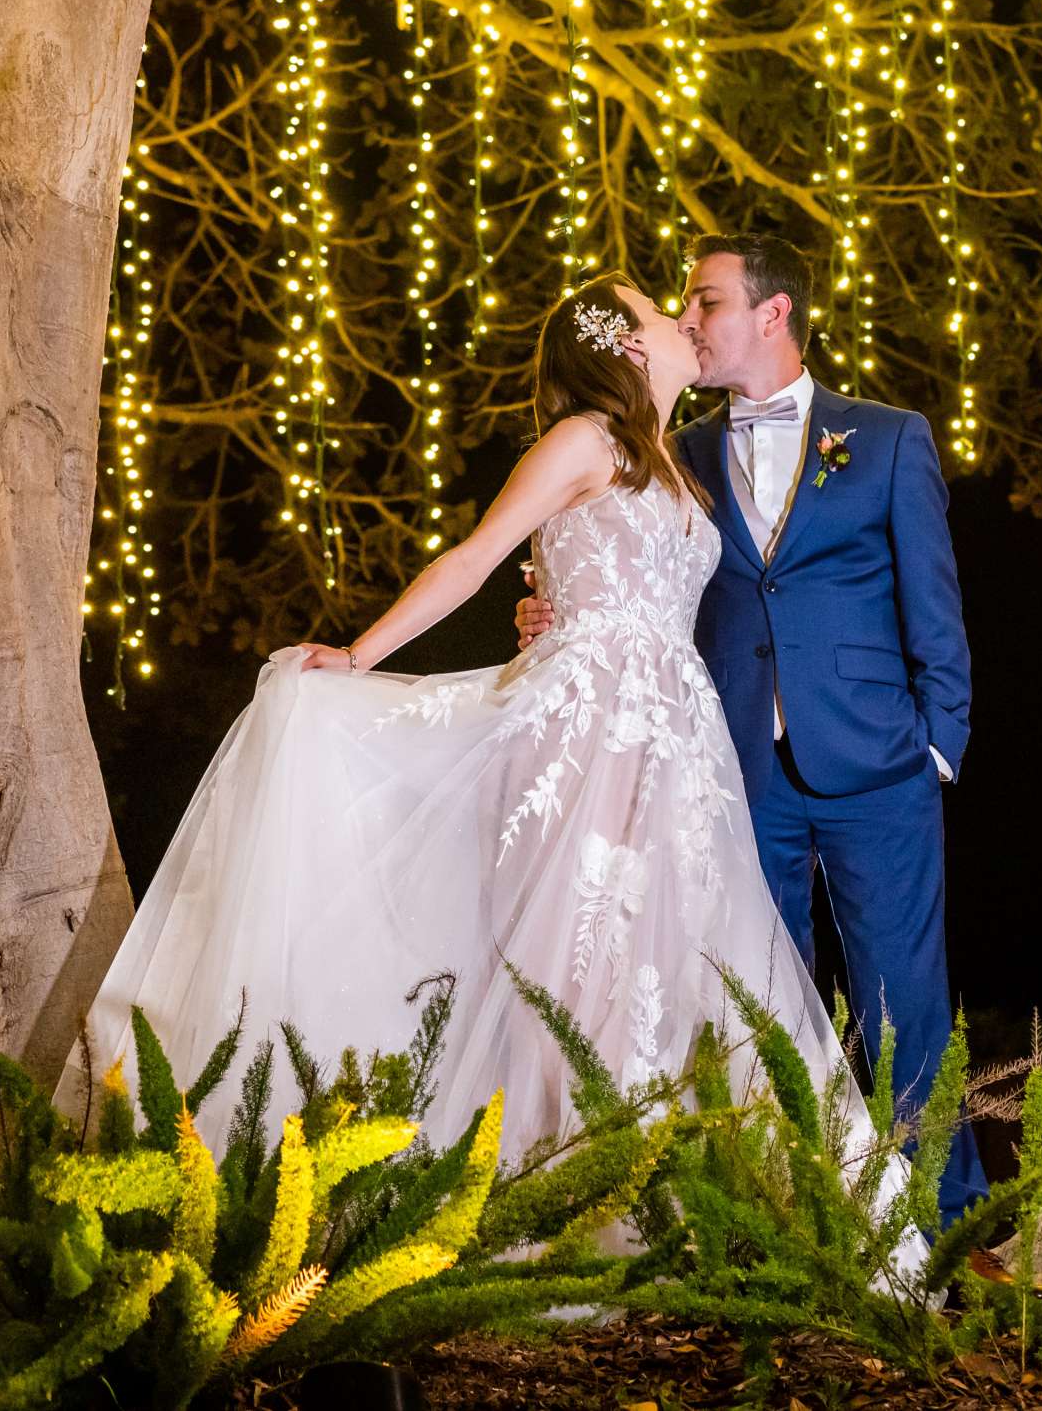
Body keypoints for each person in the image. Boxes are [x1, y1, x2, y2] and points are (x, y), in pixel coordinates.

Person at [67, 273, 918, 1240]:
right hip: (586, 729)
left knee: (673, 962)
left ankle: (670, 1199)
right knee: (573, 963)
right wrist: (357, 655)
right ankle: (556, 1202)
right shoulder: (584, 441)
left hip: (675, 743)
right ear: (628, 348)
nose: (683, 318)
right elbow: (474, 558)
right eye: (658, 310)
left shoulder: (674, 463)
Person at [517, 233, 986, 1226]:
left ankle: (947, 1223)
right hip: (728, 774)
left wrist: (939, 740)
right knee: (749, 1004)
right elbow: (635, 584)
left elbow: (934, 606)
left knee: (905, 997)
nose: (688, 322)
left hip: (878, 764)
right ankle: (783, 1217)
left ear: (771, 314)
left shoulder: (889, 438)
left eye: (706, 302)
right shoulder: (669, 454)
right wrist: (548, 611)